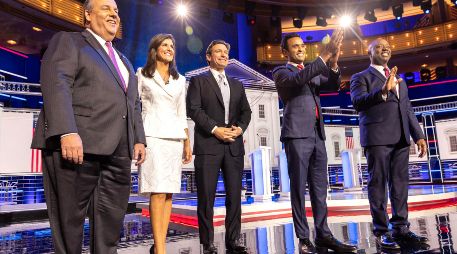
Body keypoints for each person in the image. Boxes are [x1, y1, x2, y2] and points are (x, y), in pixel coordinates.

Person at [30, 0, 146, 253]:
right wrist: (66, 131)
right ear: (87, 15)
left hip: (118, 152)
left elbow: (133, 103)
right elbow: (56, 83)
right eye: (106, 8)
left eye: (116, 11)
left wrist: (138, 138)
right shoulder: (69, 41)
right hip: (75, 145)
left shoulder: (124, 61)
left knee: (110, 223)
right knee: (68, 223)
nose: (114, 14)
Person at [272, 29, 357, 254]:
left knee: (320, 188)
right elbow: (299, 80)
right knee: (299, 189)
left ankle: (324, 235)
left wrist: (334, 63)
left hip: (318, 135)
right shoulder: (282, 71)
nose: (300, 49)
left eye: (302, 45)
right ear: (285, 52)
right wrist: (323, 57)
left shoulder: (311, 70)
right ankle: (303, 238)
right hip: (297, 135)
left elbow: (330, 85)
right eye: (295, 46)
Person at [350, 38, 428, 250]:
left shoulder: (399, 78)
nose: (385, 48)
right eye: (379, 46)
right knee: (378, 186)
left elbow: (408, 109)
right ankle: (382, 231)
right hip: (377, 139)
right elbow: (358, 103)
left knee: (400, 185)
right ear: (370, 52)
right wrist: (383, 90)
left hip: (401, 138)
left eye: (388, 46)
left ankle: (400, 227)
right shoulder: (360, 77)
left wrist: (418, 135)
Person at [186, 40, 251, 254]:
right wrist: (215, 129)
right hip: (208, 145)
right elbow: (194, 110)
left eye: (226, 52)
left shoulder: (237, 84)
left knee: (234, 196)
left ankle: (233, 240)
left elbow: (246, 112)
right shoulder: (198, 81)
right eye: (218, 51)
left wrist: (239, 129)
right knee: (207, 197)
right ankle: (208, 243)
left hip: (233, 146)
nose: (223, 55)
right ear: (208, 56)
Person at [137, 33, 192, 254]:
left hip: (174, 139)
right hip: (152, 136)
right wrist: (137, 139)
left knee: (168, 193)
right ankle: (160, 249)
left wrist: (187, 141)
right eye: (165, 45)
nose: (170, 48)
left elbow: (182, 112)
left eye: (172, 45)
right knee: (157, 192)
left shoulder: (180, 80)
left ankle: (160, 245)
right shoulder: (142, 74)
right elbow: (134, 106)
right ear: (155, 49)